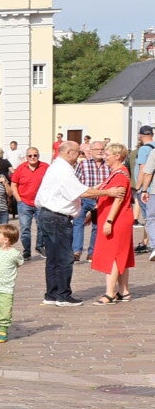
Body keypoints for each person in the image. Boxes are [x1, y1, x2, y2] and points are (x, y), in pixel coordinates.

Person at [34, 141, 85, 307]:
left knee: (53, 258)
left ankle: (52, 294)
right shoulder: (63, 169)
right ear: (69, 152)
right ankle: (63, 295)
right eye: (78, 152)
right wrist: (107, 192)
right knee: (64, 258)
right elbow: (80, 192)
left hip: (49, 215)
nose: (79, 156)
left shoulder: (57, 167)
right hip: (57, 217)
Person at [87, 141, 135, 302]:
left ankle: (110, 292)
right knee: (121, 255)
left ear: (118, 156)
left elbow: (118, 199)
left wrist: (109, 221)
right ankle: (124, 291)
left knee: (112, 255)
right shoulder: (116, 173)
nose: (105, 157)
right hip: (116, 218)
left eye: (108, 155)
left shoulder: (120, 174)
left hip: (117, 220)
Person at [10, 146, 47, 259]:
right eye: (30, 155)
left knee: (42, 226)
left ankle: (39, 246)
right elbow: (13, 184)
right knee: (25, 228)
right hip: (24, 203)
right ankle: (27, 251)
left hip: (40, 203)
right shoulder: (21, 168)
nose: (33, 157)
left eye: (35, 155)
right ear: (26, 157)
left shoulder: (45, 167)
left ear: (38, 156)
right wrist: (18, 199)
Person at [74, 140, 109, 259]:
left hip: (102, 199)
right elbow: (76, 182)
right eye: (97, 149)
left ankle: (92, 253)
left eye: (102, 149)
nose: (100, 151)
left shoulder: (108, 165)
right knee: (78, 223)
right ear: (90, 151)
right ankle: (76, 251)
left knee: (97, 226)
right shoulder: (83, 164)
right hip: (85, 199)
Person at [135, 125, 154, 256]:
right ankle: (144, 242)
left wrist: (139, 187)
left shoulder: (143, 149)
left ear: (140, 136)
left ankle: (151, 244)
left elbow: (143, 169)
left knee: (149, 218)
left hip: (149, 188)